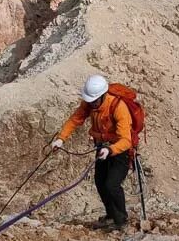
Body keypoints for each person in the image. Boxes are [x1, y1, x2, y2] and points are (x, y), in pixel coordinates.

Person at [50, 74, 133, 230]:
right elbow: (75, 119)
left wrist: (110, 149)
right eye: (90, 101)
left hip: (119, 150)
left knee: (112, 184)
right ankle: (110, 215)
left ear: (102, 96)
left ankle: (121, 220)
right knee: (100, 182)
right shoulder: (90, 104)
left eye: (94, 101)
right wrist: (61, 139)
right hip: (102, 147)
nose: (92, 104)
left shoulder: (118, 107)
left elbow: (126, 140)